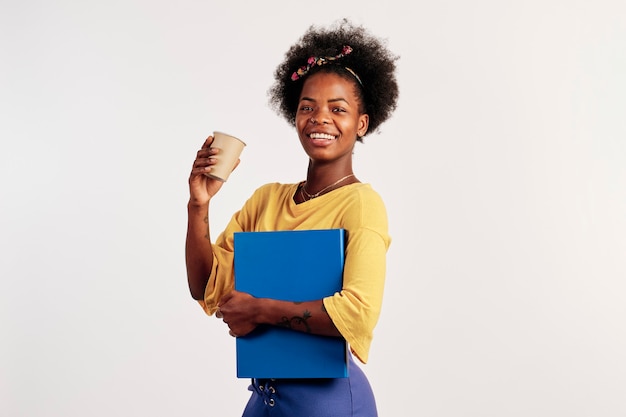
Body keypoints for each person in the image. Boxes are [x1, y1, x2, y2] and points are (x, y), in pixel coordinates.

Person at [185, 18, 399, 417]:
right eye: (308, 107)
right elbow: (206, 287)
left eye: (338, 109)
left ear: (362, 123)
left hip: (329, 401)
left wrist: (259, 310)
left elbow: (357, 313)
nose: (320, 118)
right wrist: (199, 206)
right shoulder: (266, 200)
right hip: (264, 397)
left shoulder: (362, 205)